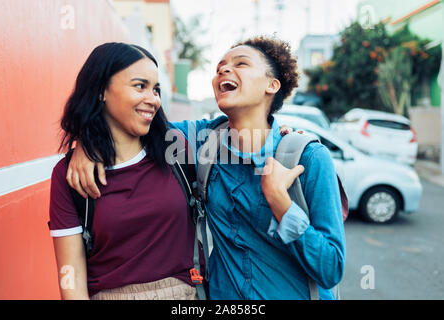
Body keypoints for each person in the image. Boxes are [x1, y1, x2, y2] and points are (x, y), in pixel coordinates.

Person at [67, 36, 345, 300]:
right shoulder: (204, 142)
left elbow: (331, 269)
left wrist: (281, 204)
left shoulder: (307, 158)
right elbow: (130, 126)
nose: (224, 69)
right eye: (220, 67)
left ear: (271, 85)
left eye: (241, 63)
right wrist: (85, 143)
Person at [49, 42, 202, 300]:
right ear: (100, 91)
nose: (153, 99)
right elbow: (70, 276)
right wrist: (85, 142)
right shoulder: (68, 175)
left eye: (156, 90)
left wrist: (282, 138)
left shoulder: (176, 149)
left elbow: (237, 137)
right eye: (140, 86)